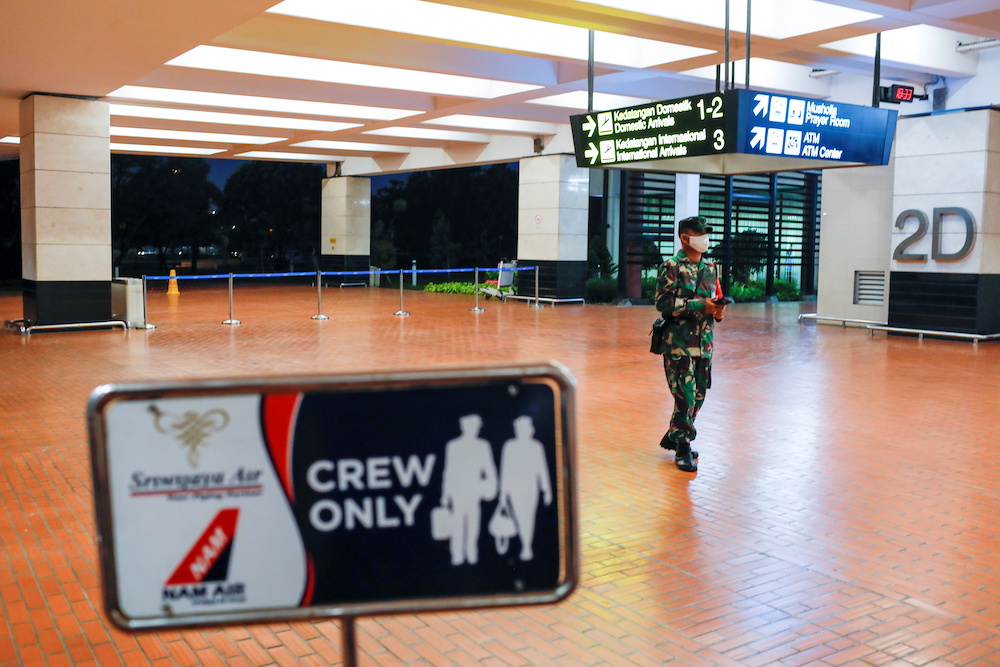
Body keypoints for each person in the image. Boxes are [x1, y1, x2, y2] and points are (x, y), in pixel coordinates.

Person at [653, 216, 727, 472]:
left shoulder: (711, 267)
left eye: (706, 233)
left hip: (704, 343)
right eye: (700, 234)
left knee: (698, 397)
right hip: (678, 344)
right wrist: (699, 305)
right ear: (685, 238)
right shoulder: (671, 266)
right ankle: (683, 445)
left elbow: (715, 300)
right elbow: (663, 304)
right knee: (684, 397)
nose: (704, 239)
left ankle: (675, 436)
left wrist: (717, 311)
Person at [440, 414, 498, 565]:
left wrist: (491, 488)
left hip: (474, 492)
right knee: (457, 524)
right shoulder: (453, 446)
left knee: (473, 524)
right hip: (457, 492)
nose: (474, 429)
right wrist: (445, 494)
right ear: (463, 427)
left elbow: (489, 469)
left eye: (476, 427)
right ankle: (457, 555)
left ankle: (472, 554)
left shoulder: (482, 446)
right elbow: (448, 471)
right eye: (470, 426)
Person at [496, 416, 552, 561]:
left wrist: (546, 489)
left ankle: (527, 546)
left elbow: (542, 469)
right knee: (519, 516)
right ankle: (525, 546)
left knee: (529, 516)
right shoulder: (510, 446)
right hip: (514, 487)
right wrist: (503, 492)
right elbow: (505, 470)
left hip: (531, 486)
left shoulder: (536, 446)